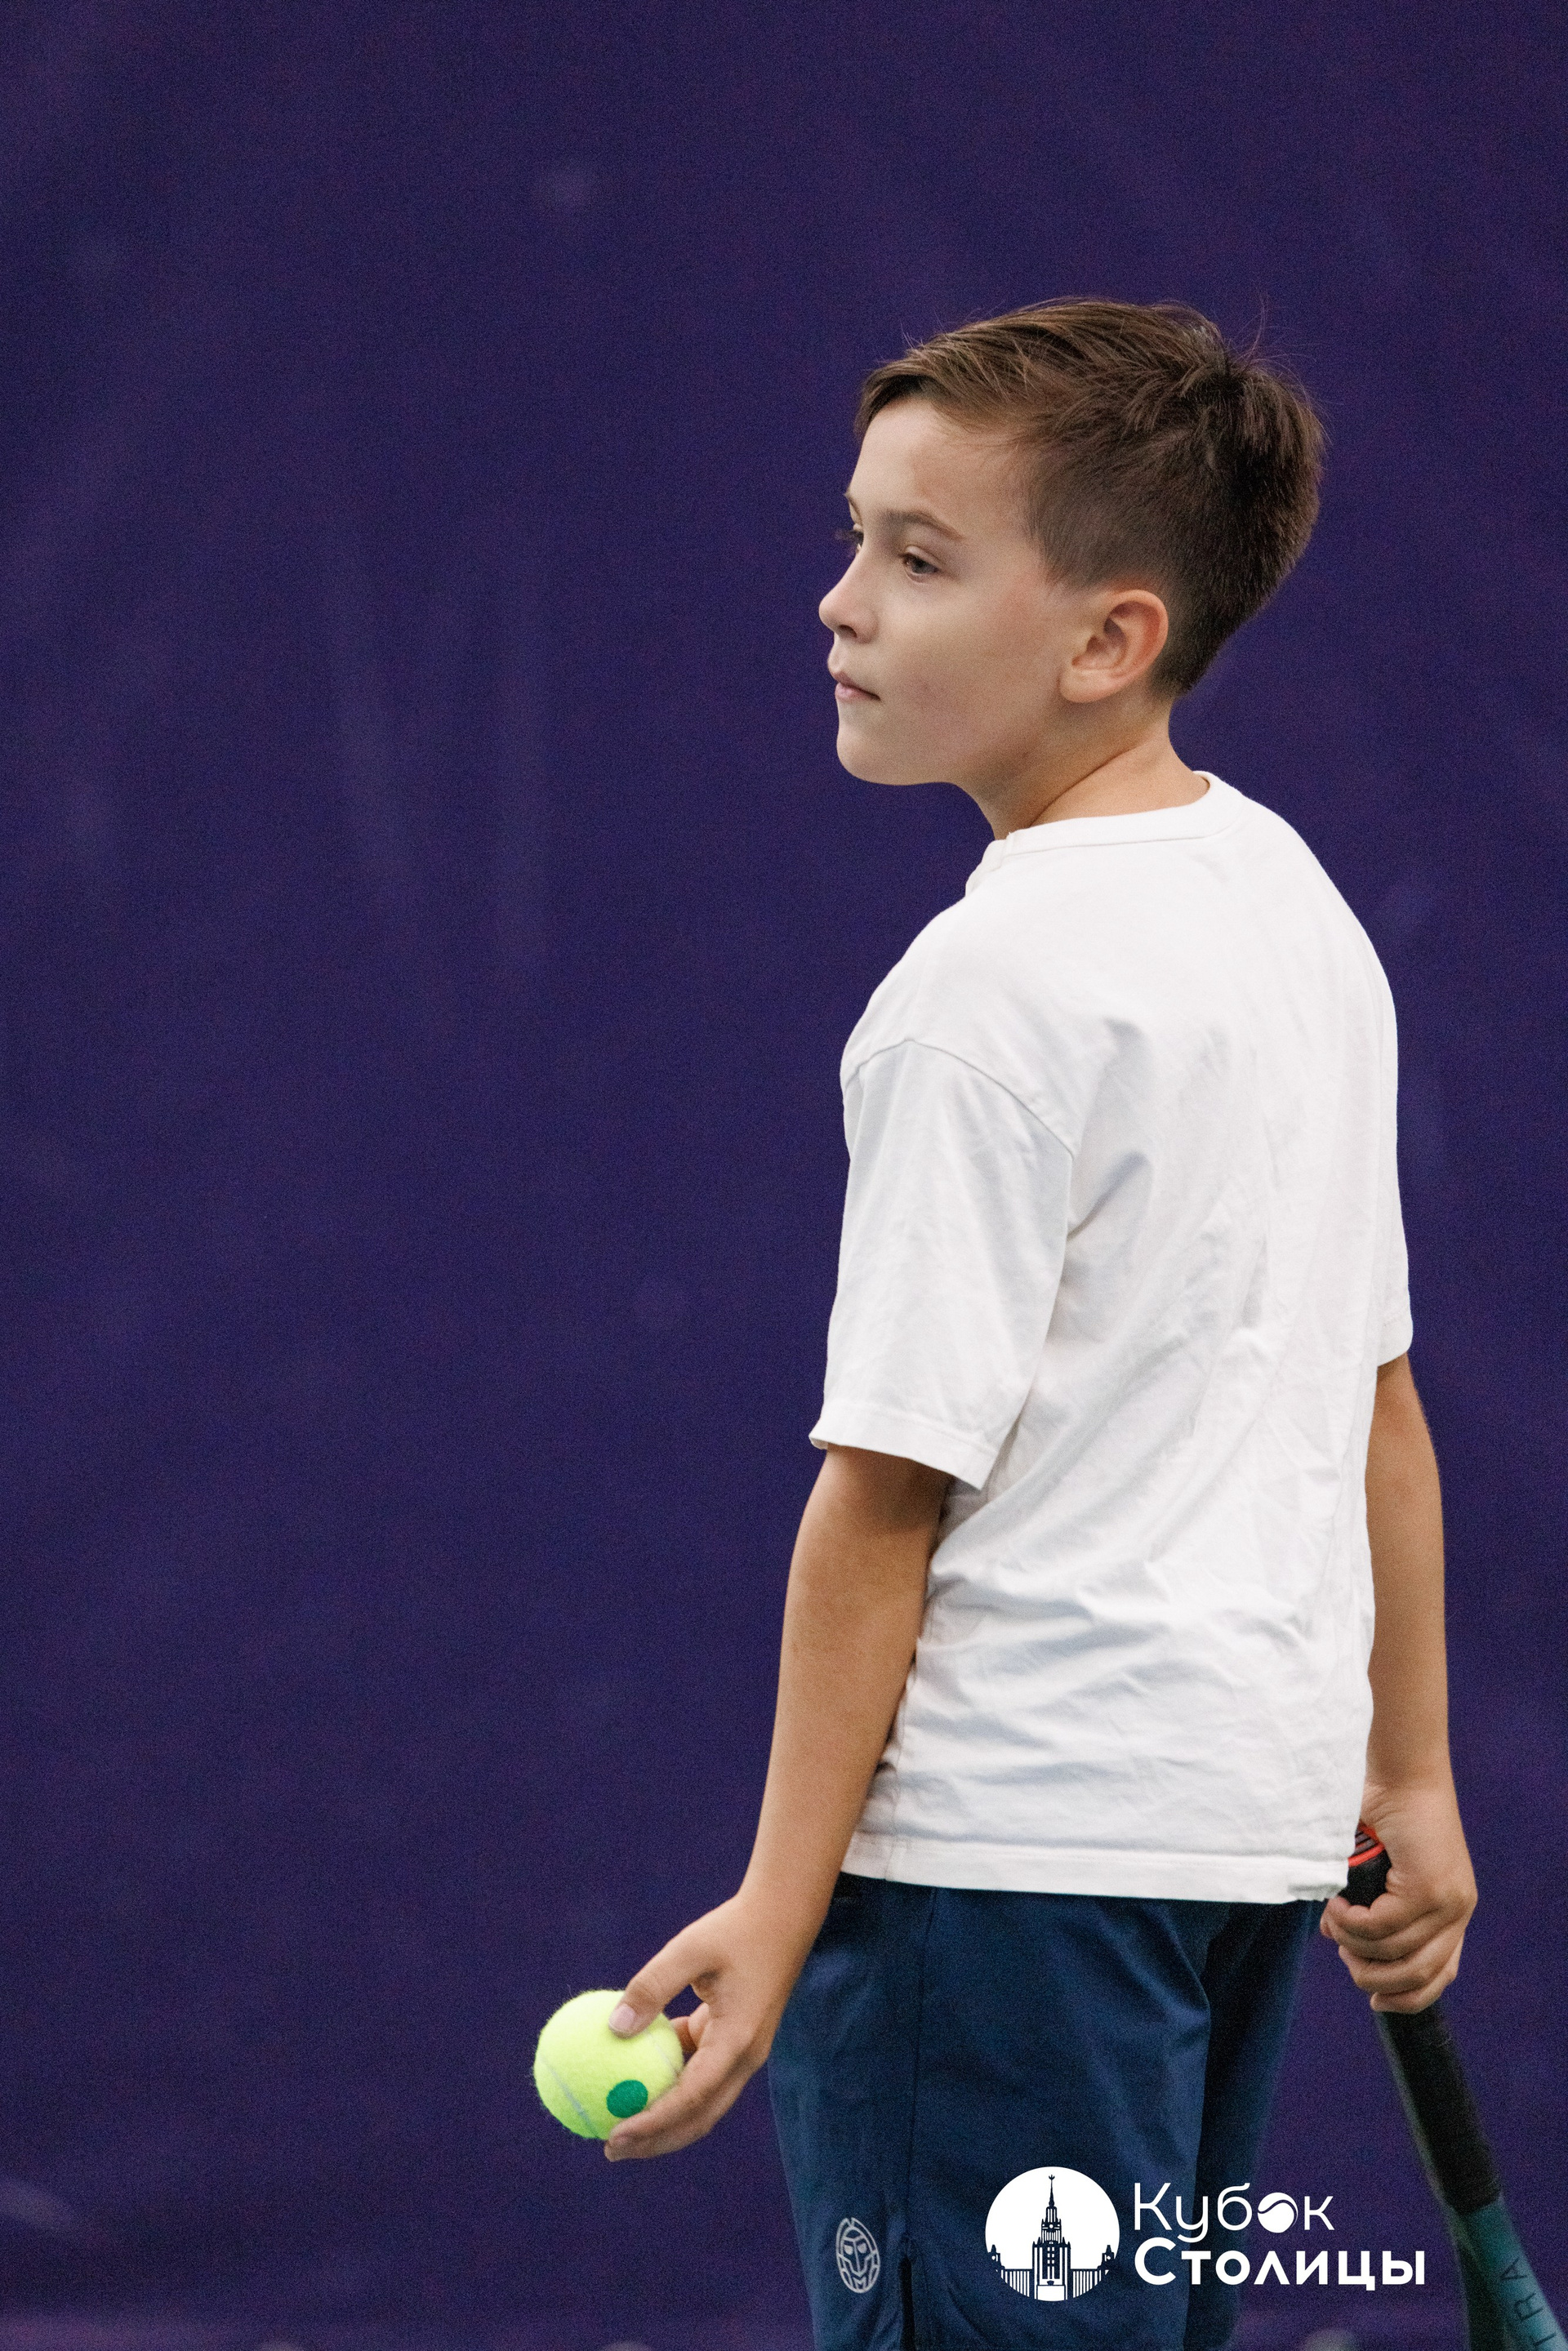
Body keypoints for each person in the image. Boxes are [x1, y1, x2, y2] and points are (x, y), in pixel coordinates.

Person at [599, 300, 1476, 2350]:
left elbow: (882, 1501)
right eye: (855, 538)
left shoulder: (979, 1002)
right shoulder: (1296, 907)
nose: (841, 601)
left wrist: (782, 1909)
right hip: (1233, 1849)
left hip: (994, 1894)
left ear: (1108, 639)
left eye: (917, 558)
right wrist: (1411, 1777)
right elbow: (1381, 1401)